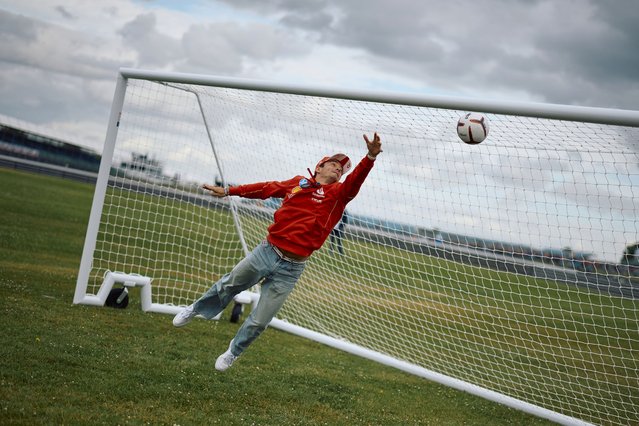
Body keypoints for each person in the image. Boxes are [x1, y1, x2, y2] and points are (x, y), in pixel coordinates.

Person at [173, 133, 383, 371]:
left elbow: (356, 179)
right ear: (319, 166)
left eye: (342, 169)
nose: (338, 169)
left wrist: (370, 156)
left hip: (292, 268)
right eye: (334, 164)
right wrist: (230, 191)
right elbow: (265, 189)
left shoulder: (339, 195)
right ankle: (195, 309)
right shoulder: (297, 183)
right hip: (267, 251)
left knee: (261, 320)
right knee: (229, 284)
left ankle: (233, 351)